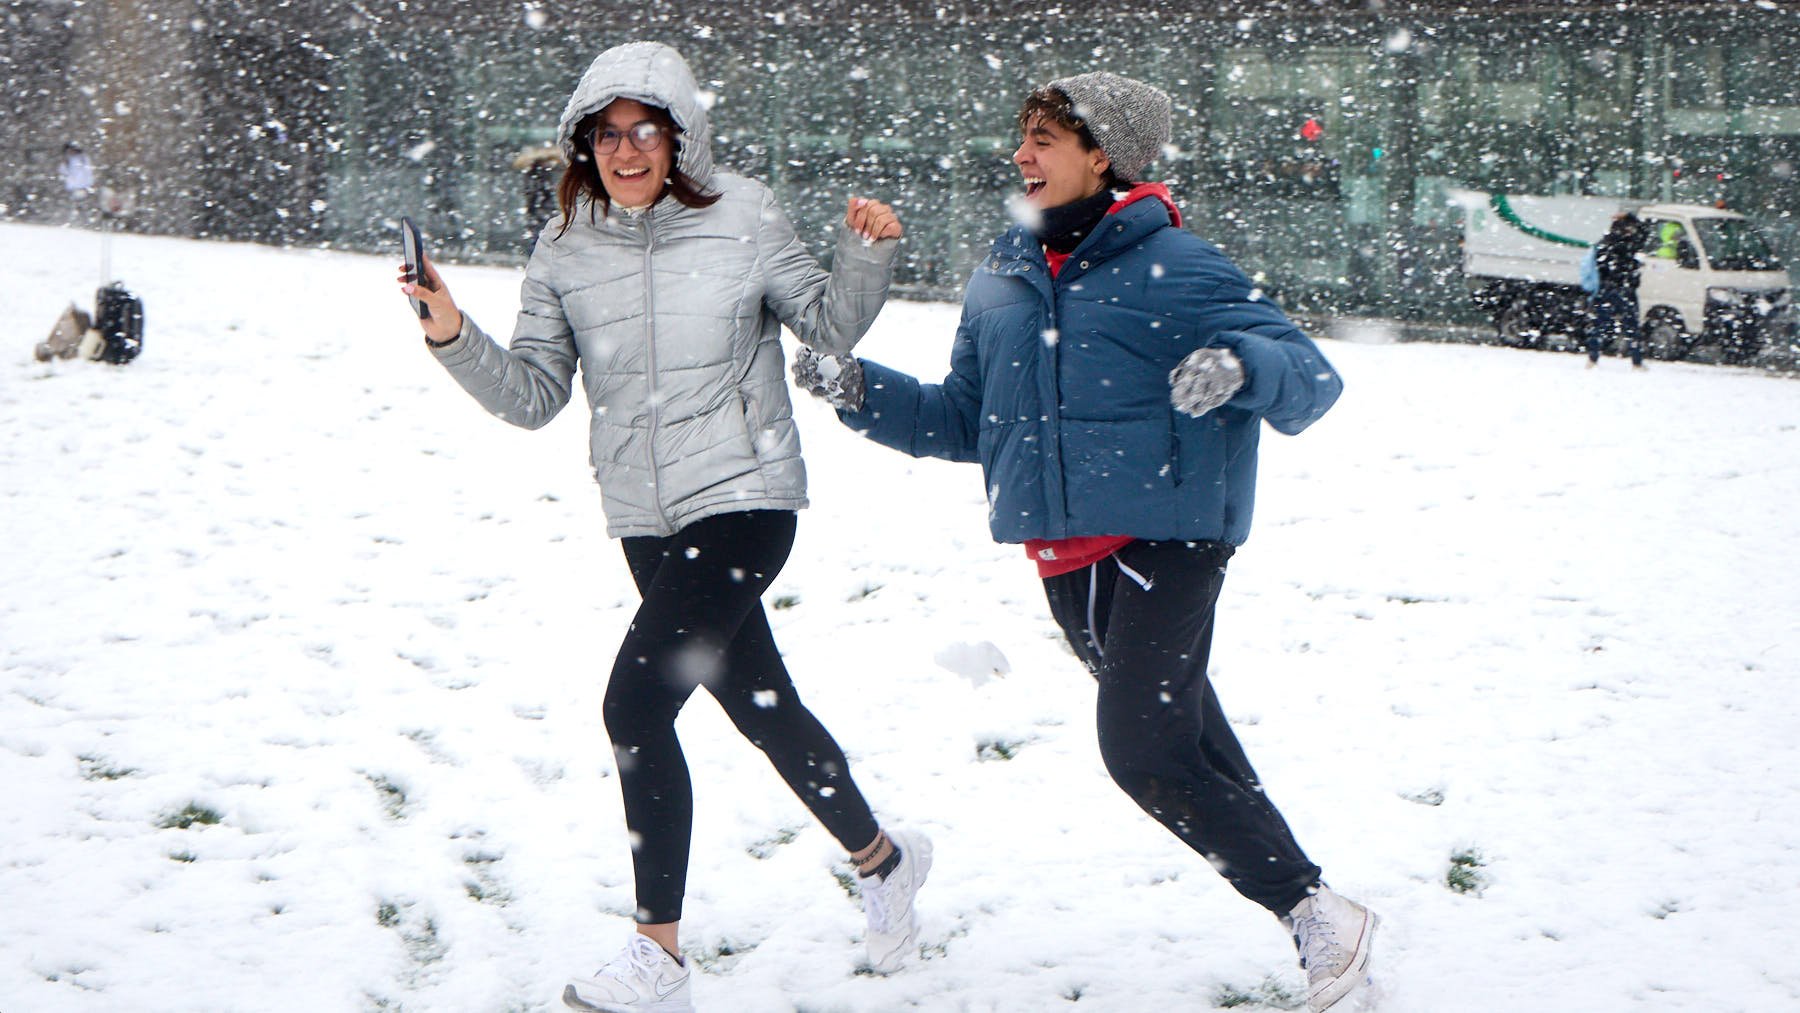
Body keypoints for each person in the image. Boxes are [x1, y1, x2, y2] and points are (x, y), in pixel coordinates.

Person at [794, 72, 1377, 1013]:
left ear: (1102, 155)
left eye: (1044, 139)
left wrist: (1240, 364)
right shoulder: (1005, 277)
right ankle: (1317, 917)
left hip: (1168, 537)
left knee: (1143, 750)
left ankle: (1315, 911)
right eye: (1022, 137)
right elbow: (965, 420)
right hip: (1065, 560)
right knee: (1191, 750)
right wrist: (860, 390)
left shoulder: (1183, 267)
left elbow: (1311, 379)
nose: (1021, 155)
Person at [395, 41, 929, 1012]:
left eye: (646, 130)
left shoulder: (745, 213)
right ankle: (884, 858)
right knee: (762, 705)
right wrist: (449, 332)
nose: (628, 150)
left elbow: (827, 326)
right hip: (647, 518)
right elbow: (531, 396)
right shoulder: (564, 246)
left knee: (635, 707)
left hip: (747, 497)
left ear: (681, 138)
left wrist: (868, 249)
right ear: (584, 143)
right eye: (608, 133)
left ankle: (659, 955)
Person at [1587, 212, 1648, 369]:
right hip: (1623, 288)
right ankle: (1637, 361)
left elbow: (1601, 265)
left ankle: (1593, 358)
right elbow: (1644, 234)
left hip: (1607, 288)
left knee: (1601, 325)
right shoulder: (1626, 244)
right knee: (1631, 326)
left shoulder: (1606, 242)